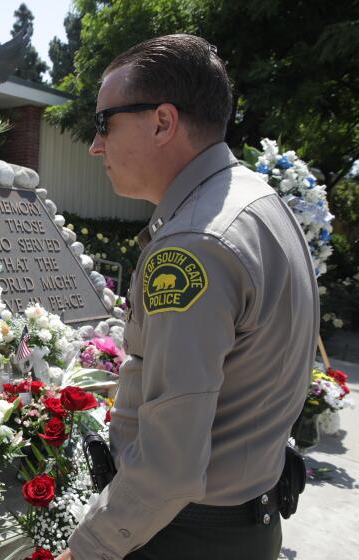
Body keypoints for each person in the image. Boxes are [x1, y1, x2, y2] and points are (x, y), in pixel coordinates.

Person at [57, 35, 318, 560]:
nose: (95, 144)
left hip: (181, 536)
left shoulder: (194, 245)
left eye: (104, 122)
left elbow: (168, 472)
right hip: (240, 522)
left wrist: (84, 551)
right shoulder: (259, 202)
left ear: (162, 122)